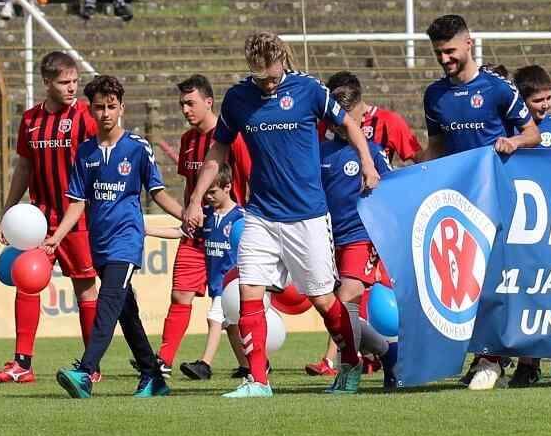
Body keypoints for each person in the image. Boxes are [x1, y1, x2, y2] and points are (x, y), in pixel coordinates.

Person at [184, 31, 382, 398]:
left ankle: (351, 363)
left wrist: (368, 165)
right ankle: (258, 381)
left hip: (307, 216)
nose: (268, 83)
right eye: (260, 77)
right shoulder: (238, 98)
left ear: (283, 60)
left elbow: (349, 125)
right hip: (260, 214)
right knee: (249, 291)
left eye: (273, 75)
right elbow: (218, 149)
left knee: (324, 300)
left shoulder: (308, 89)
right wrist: (196, 198)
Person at [416, 14, 540, 390]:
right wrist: (412, 174)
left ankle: (494, 359)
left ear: (469, 44)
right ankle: (487, 356)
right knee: (465, 283)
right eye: (438, 52)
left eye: (450, 51)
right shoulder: (434, 95)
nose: (444, 59)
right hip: (457, 202)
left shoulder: (497, 89)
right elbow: (437, 146)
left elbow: (532, 133)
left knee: (495, 281)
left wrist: (513, 142)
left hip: (497, 198)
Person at [48, 75, 179, 398]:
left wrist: (186, 214)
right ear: (90, 110)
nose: (105, 113)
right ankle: (153, 376)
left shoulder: (137, 148)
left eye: (111, 106)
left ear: (121, 107)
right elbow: (77, 202)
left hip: (127, 240)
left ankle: (85, 371)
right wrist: (57, 236)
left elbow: (158, 192)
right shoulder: (85, 152)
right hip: (100, 244)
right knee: (126, 312)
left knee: (106, 303)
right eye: (99, 107)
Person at [0, 52, 98, 384]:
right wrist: (8, 211)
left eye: (75, 81)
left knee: (85, 288)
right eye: (64, 82)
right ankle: (22, 364)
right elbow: (24, 167)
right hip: (40, 220)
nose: (72, 88)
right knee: (27, 280)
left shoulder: (86, 117)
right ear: (47, 82)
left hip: (78, 219)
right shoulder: (31, 119)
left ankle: (91, 366)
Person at [150, 75, 252, 379]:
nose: (185, 109)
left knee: (231, 304)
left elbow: (249, 179)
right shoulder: (187, 140)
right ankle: (163, 361)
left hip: (229, 233)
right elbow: (188, 185)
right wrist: (187, 215)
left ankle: (252, 363)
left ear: (209, 102)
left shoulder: (233, 138)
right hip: (196, 234)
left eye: (190, 103)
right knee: (181, 294)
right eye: (182, 103)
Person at [509, 63, 551, 386]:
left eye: (549, 98)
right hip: (521, 222)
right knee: (526, 289)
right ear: (522, 101)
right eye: (538, 100)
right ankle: (528, 362)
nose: (546, 105)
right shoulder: (510, 129)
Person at [317, 134, 401, 389]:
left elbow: (395, 188)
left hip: (362, 236)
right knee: (331, 310)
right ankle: (388, 352)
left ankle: (349, 370)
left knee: (345, 303)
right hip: (326, 238)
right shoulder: (319, 150)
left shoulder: (372, 151)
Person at [155, 166, 251, 382]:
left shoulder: (241, 218)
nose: (208, 197)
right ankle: (249, 366)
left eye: (213, 192)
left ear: (228, 187)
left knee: (214, 318)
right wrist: (146, 230)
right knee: (231, 326)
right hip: (217, 283)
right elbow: (180, 232)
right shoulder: (205, 215)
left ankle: (204, 365)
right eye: (205, 192)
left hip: (232, 282)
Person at [320, 71, 421, 166]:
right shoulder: (325, 123)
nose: (338, 127)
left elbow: (421, 160)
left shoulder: (389, 121)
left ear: (355, 100)